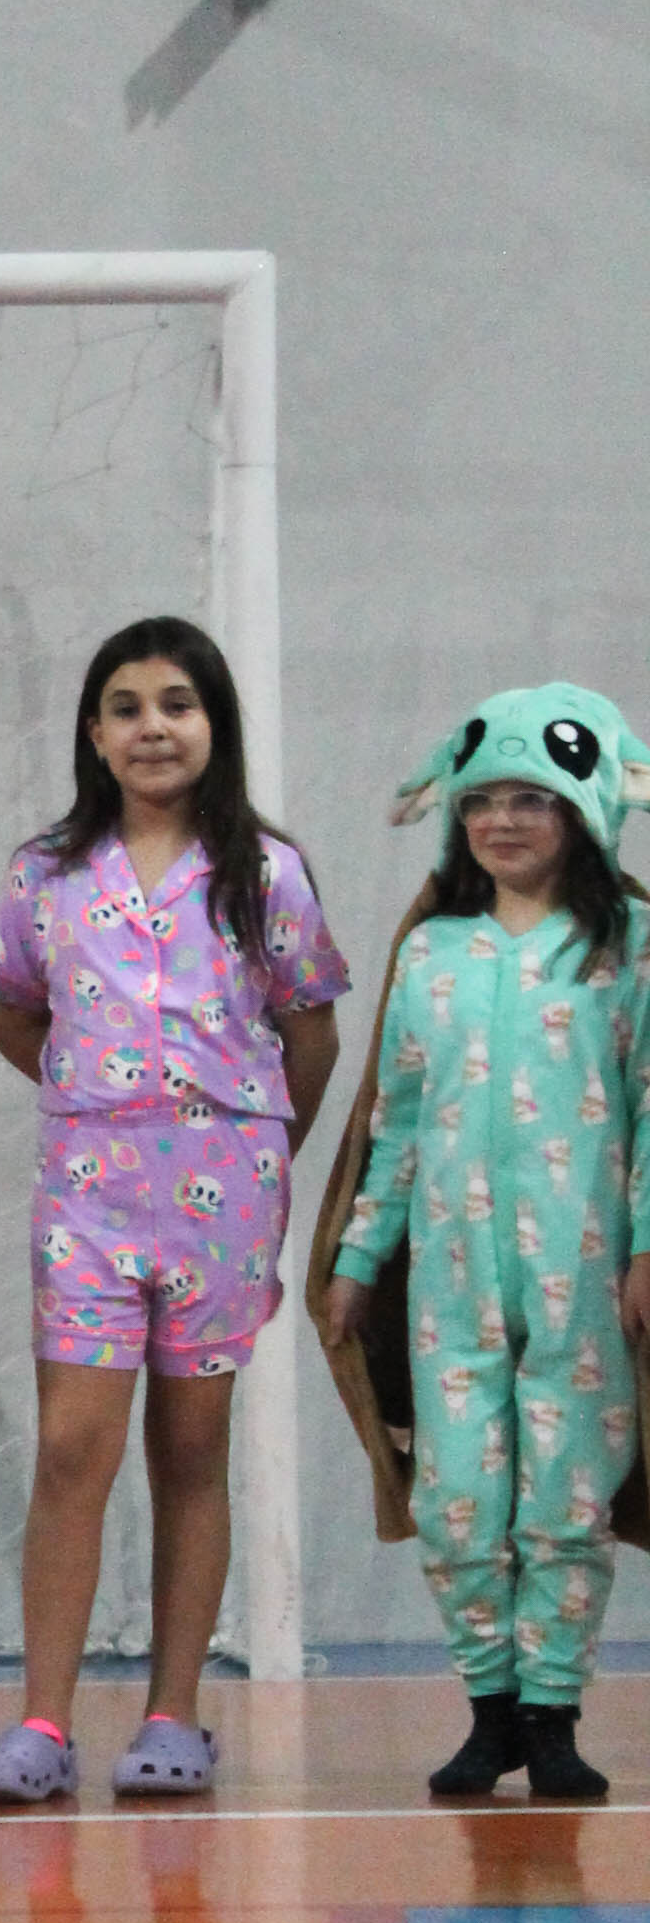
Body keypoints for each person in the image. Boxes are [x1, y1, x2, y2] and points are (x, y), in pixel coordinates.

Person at [0, 614, 346, 1803]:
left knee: (189, 1449)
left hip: (225, 1196)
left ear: (214, 724)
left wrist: (254, 1147)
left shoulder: (265, 873)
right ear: (93, 732)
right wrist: (105, 1104)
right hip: (88, 1192)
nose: (152, 727)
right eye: (125, 707)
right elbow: (16, 1014)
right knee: (71, 1446)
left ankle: (173, 1713)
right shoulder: (44, 873)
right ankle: (41, 1722)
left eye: (177, 704)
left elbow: (312, 1034)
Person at [316, 682, 650, 1801]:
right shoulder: (432, 953)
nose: (501, 821)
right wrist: (357, 1259)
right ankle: (489, 1709)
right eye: (479, 801)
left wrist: (647, 1249)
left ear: (584, 811)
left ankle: (552, 1713)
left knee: (568, 1499)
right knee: (453, 1493)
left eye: (531, 798)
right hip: (449, 1286)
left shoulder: (629, 947)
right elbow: (397, 1121)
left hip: (582, 1281)